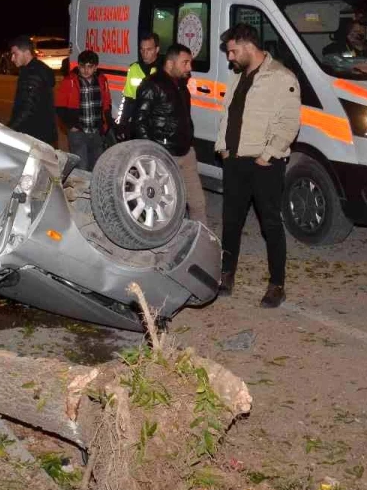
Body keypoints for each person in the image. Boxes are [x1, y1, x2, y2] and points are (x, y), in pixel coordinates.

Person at [215, 23, 302, 309]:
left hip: (264, 164)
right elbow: (229, 114)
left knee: (271, 224)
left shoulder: (281, 77)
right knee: (231, 221)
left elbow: (289, 123)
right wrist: (223, 148)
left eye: (232, 51)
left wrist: (268, 155)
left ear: (248, 45)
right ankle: (226, 275)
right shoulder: (238, 76)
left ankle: (277, 284)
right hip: (235, 161)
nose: (230, 57)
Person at [131, 44, 205, 223]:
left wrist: (190, 141)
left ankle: (201, 244)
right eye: (185, 63)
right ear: (170, 63)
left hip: (186, 153)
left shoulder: (181, 86)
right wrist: (153, 153)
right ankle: (166, 247)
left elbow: (183, 117)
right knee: (166, 208)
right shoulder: (152, 84)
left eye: (190, 63)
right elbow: (139, 122)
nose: (189, 68)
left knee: (198, 204)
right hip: (163, 156)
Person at [56, 49, 112, 170]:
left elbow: (106, 103)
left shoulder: (102, 80)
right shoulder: (69, 81)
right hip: (78, 132)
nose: (86, 70)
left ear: (96, 67)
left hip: (96, 131)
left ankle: (93, 189)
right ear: (78, 65)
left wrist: (106, 124)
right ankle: (81, 189)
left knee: (97, 166)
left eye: (90, 67)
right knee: (81, 167)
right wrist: (71, 125)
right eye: (82, 66)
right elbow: (59, 107)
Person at [7, 35, 58, 145]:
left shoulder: (32, 74)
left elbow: (28, 107)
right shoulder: (38, 69)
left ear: (26, 52)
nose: (12, 58)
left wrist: (10, 129)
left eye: (15, 54)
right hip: (44, 134)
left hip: (35, 136)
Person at [114, 32, 161, 136]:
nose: (144, 53)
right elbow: (127, 99)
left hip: (156, 124)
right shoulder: (134, 69)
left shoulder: (163, 70)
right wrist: (122, 123)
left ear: (157, 49)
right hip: (137, 122)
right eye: (142, 50)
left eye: (149, 49)